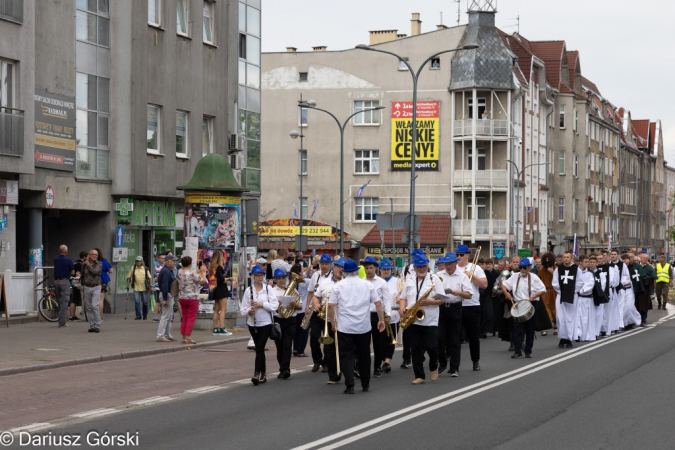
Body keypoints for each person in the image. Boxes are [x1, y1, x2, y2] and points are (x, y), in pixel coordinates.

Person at [328, 260, 384, 394]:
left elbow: (331, 306)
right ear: (358, 272)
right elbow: (378, 303)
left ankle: (350, 385)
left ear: (344, 272)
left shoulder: (337, 286)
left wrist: (332, 321)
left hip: (345, 326)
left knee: (346, 356)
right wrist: (381, 319)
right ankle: (365, 384)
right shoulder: (367, 285)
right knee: (364, 355)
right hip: (363, 326)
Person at [400, 254, 447, 384]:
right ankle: (419, 376)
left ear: (427, 266)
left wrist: (431, 301)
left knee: (432, 347)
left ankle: (433, 367)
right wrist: (402, 307)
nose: (422, 269)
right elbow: (403, 297)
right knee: (415, 349)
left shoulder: (434, 280)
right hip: (413, 319)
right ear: (414, 267)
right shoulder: (409, 280)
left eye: (424, 266)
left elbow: (443, 299)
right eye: (419, 267)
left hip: (430, 319)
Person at [241, 265, 279, 385]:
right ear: (252, 277)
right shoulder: (249, 290)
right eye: (257, 275)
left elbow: (274, 306)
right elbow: (243, 309)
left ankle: (257, 373)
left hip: (266, 323)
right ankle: (263, 373)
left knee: (259, 347)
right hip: (253, 324)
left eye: (261, 275)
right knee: (259, 348)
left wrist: (262, 304)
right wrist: (249, 311)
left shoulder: (268, 289)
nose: (259, 277)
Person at [502, 258, 546, 358]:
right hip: (518, 305)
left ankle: (528, 351)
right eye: (520, 267)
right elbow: (504, 284)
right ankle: (517, 351)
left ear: (529, 268)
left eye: (524, 267)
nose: (522, 269)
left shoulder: (534, 277)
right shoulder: (514, 276)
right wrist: (506, 293)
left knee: (530, 330)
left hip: (531, 304)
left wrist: (536, 295)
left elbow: (543, 289)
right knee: (517, 329)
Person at [438, 253, 473, 377]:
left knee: (454, 339)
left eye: (450, 264)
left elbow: (469, 294)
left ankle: (454, 368)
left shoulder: (462, 276)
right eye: (446, 264)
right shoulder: (438, 275)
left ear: (455, 263)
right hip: (441, 308)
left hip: (455, 308)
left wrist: (456, 292)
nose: (447, 266)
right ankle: (442, 363)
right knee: (440, 338)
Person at [313, 257, 346, 384]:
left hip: (345, 320)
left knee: (346, 348)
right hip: (328, 319)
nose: (340, 270)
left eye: (343, 268)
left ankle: (350, 369)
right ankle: (333, 376)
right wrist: (316, 304)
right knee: (329, 349)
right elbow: (316, 296)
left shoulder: (349, 283)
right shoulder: (325, 282)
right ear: (335, 267)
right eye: (339, 267)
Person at [455, 244, 487, 371]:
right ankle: (453, 362)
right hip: (457, 304)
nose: (459, 257)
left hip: (472, 305)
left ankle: (475, 361)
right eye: (457, 255)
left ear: (467, 255)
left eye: (461, 255)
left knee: (473, 336)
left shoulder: (476, 267)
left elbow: (484, 285)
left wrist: (471, 275)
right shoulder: (454, 268)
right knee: (455, 335)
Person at [362, 256, 392, 378]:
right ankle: (364, 367)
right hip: (364, 315)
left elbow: (387, 300)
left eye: (371, 268)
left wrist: (387, 315)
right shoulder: (362, 281)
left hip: (377, 315)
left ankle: (377, 367)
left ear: (375, 268)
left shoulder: (382, 282)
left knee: (378, 343)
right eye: (367, 268)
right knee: (364, 343)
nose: (369, 270)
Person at [271, 268, 302, 379]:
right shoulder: (272, 291)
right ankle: (283, 368)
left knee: (287, 345)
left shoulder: (293, 290)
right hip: (278, 320)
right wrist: (276, 304)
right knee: (279, 346)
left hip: (290, 320)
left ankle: (285, 369)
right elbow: (269, 308)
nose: (281, 280)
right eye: (278, 278)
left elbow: (300, 306)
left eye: (283, 278)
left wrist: (295, 305)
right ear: (275, 279)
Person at [307, 253, 333, 372]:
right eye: (322, 264)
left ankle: (327, 362)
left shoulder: (332, 277)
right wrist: (307, 306)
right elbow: (311, 292)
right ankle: (317, 361)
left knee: (326, 336)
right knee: (314, 337)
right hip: (316, 310)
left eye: (326, 264)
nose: (324, 266)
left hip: (327, 311)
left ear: (330, 265)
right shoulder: (315, 275)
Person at [176, 255, 208, 344]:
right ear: (190, 264)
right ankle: (188, 337)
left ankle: (183, 337)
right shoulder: (192, 273)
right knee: (191, 318)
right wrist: (203, 272)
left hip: (182, 297)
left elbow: (189, 277)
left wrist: (196, 272)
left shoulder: (179, 272)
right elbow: (202, 281)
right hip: (192, 298)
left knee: (184, 317)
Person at [552, 251, 579, 348]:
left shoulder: (576, 269)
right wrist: (562, 291)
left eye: (567, 257)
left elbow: (580, 283)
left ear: (571, 258)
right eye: (564, 257)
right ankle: (562, 337)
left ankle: (569, 338)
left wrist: (571, 291)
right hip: (561, 295)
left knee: (570, 317)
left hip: (572, 295)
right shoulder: (558, 270)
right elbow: (555, 283)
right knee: (560, 317)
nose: (565, 259)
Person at [379, 259, 399, 373]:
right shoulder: (376, 281)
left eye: (388, 269)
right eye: (384, 269)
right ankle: (380, 360)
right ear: (380, 269)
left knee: (390, 340)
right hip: (378, 315)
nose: (386, 271)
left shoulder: (397, 281)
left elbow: (401, 295)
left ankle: (387, 361)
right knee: (380, 340)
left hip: (392, 315)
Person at [210, 250, 233, 336]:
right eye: (222, 256)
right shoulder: (219, 267)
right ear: (219, 257)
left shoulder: (212, 267)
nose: (224, 258)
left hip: (215, 289)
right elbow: (221, 279)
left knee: (216, 309)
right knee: (223, 309)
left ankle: (215, 328)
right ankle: (222, 328)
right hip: (221, 289)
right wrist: (228, 279)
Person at [291, 263, 311, 357]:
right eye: (302, 270)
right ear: (299, 272)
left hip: (295, 310)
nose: (303, 272)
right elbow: (315, 283)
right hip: (303, 309)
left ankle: (295, 348)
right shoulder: (306, 281)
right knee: (304, 331)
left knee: (296, 331)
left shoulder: (291, 281)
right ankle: (300, 351)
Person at [81, 249, 103, 333]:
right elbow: (82, 275)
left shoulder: (99, 264)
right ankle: (92, 325)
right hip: (87, 287)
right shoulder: (84, 265)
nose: (95, 256)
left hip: (96, 287)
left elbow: (96, 272)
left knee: (94, 305)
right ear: (89, 255)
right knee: (89, 307)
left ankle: (97, 325)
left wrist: (88, 265)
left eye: (96, 255)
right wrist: (81, 286)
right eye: (93, 254)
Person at [157, 255, 177, 342]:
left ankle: (167, 335)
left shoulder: (167, 270)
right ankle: (161, 336)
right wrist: (165, 299)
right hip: (167, 294)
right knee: (165, 316)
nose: (174, 263)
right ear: (168, 262)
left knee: (168, 316)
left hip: (168, 294)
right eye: (173, 261)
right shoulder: (167, 271)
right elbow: (164, 285)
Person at [53, 245, 75, 328]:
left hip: (56, 281)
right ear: (66, 251)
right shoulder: (69, 260)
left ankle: (61, 320)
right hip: (65, 281)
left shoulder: (55, 259)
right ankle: (62, 322)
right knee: (65, 302)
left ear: (59, 251)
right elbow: (72, 272)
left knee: (59, 301)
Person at [621, 253, 644, 329]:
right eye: (623, 259)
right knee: (623, 308)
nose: (625, 261)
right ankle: (626, 323)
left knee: (629, 306)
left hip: (629, 290)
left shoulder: (632, 268)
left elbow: (636, 278)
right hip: (622, 290)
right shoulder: (620, 268)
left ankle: (635, 320)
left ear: (629, 260)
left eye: (626, 259)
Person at [126, 256, 152, 320]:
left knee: (145, 302)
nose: (137, 262)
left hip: (144, 288)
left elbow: (150, 277)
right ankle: (138, 315)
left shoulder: (145, 268)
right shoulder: (133, 268)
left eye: (139, 261)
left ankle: (145, 315)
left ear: (142, 262)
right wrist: (128, 285)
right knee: (137, 302)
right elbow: (129, 277)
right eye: (136, 261)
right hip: (136, 288)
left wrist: (151, 286)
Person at [538, 253, 557, 336]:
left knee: (555, 309)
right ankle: (544, 327)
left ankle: (555, 326)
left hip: (555, 291)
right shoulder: (541, 270)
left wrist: (553, 272)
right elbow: (538, 281)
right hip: (545, 291)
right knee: (545, 309)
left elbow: (559, 278)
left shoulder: (556, 269)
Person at [635, 253, 656, 326]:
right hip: (637, 288)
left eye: (646, 258)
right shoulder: (637, 266)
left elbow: (653, 276)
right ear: (640, 258)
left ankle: (643, 318)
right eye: (644, 258)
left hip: (645, 288)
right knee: (637, 303)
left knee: (644, 304)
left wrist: (646, 278)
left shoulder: (649, 267)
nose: (645, 259)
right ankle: (637, 319)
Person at [69, 250, 87, 321]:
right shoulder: (80, 264)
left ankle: (72, 315)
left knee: (75, 299)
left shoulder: (75, 262)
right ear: (84, 257)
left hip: (74, 281)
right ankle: (72, 316)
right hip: (77, 282)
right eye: (87, 256)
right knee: (75, 298)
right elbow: (77, 274)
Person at [95, 248, 113, 318]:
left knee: (93, 299)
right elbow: (111, 270)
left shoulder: (92, 261)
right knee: (100, 299)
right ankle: (100, 316)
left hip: (93, 281)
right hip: (104, 281)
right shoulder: (104, 261)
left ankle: (93, 315)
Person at [152, 253, 167, 322]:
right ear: (158, 259)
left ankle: (159, 316)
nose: (164, 259)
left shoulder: (164, 266)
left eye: (164, 258)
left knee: (160, 302)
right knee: (158, 302)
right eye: (162, 258)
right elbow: (158, 277)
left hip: (161, 286)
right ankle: (155, 317)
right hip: (159, 287)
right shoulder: (158, 266)